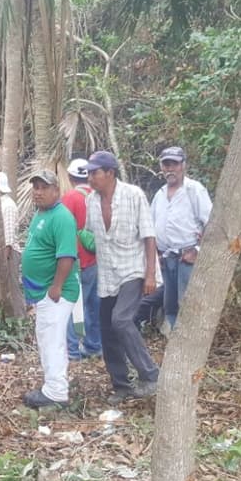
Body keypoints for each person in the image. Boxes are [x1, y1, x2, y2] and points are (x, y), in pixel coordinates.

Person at [83, 150, 160, 403]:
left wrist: (150, 274)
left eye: (95, 173)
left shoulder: (134, 195)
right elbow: (90, 236)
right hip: (107, 273)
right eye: (89, 173)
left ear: (110, 173)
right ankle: (122, 385)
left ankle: (150, 375)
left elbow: (149, 236)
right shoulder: (90, 201)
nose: (90, 178)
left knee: (121, 320)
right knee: (107, 330)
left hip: (133, 269)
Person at [20, 171, 80, 409]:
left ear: (56, 190)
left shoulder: (62, 217)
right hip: (42, 291)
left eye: (44, 187)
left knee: (52, 339)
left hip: (57, 291)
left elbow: (66, 256)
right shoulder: (41, 213)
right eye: (35, 187)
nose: (38, 191)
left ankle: (56, 392)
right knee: (46, 338)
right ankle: (53, 385)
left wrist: (56, 287)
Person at [150, 146, 212, 329]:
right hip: (167, 258)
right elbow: (150, 228)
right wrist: (156, 256)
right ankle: (176, 345)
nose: (170, 169)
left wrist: (198, 250)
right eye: (166, 164)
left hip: (187, 257)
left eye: (174, 164)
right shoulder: (159, 195)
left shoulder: (194, 190)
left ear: (183, 165)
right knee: (170, 305)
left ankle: (191, 346)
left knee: (189, 305)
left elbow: (211, 223)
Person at [61, 158, 102, 361]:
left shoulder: (70, 198)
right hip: (97, 259)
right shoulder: (98, 196)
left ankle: (72, 350)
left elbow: (62, 229)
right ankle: (94, 345)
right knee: (94, 304)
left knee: (72, 305)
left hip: (76, 260)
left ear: (69, 177)